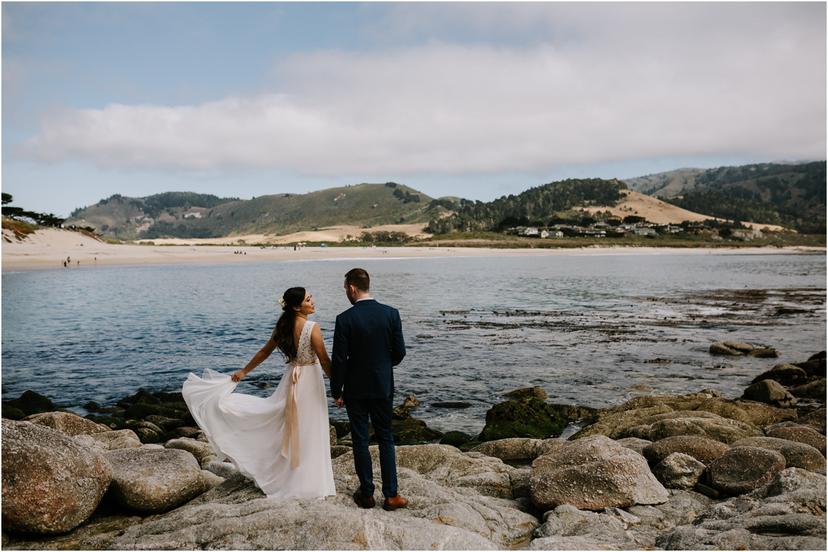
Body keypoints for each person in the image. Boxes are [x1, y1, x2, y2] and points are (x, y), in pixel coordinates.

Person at [181, 287, 336, 500]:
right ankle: (309, 482)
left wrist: (244, 371)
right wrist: (338, 387)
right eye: (308, 299)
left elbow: (264, 351)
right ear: (296, 306)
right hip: (308, 380)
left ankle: (292, 476)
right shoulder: (312, 328)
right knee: (309, 427)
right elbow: (325, 360)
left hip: (291, 379)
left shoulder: (283, 326)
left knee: (290, 425)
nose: (313, 302)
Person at [331, 268, 408, 511]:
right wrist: (383, 367)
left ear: (352, 288)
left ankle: (367, 494)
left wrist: (336, 390)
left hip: (355, 387)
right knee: (386, 437)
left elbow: (340, 360)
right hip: (382, 385)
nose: (346, 292)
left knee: (360, 440)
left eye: (345, 288)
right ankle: (392, 495)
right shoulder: (391, 314)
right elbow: (400, 353)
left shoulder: (344, 319)